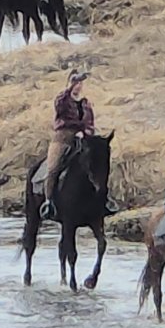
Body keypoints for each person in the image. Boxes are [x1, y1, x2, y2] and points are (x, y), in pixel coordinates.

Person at [40, 71, 95, 222]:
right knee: (53, 168)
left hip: (82, 138)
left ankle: (104, 198)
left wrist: (86, 131)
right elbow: (60, 106)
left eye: (79, 84)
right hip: (62, 138)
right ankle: (48, 201)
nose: (78, 86)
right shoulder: (62, 100)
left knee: (97, 162)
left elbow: (90, 122)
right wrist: (68, 88)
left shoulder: (85, 103)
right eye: (75, 83)